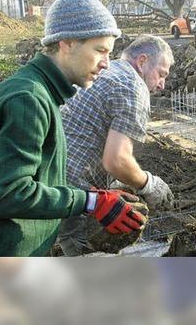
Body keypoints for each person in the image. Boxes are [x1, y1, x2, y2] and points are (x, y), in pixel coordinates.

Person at [0, 0, 147, 256]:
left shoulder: (37, 91)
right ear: (67, 43)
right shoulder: (28, 101)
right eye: (100, 50)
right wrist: (90, 201)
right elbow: (10, 195)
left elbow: (35, 180)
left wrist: (91, 195)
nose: (106, 64)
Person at [57, 34, 175, 256]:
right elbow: (117, 160)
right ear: (142, 61)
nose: (162, 84)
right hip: (72, 188)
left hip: (50, 175)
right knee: (83, 251)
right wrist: (150, 184)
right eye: (161, 74)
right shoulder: (133, 86)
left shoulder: (103, 71)